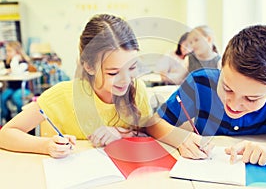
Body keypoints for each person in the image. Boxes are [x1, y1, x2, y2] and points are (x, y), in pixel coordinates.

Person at [0, 14, 152, 158]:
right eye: (113, 73)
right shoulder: (62, 95)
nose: (126, 80)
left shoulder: (137, 89)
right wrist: (46, 145)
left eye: (132, 68)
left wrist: (121, 134)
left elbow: (149, 134)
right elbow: (5, 134)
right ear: (89, 67)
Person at [145, 25, 266, 166]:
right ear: (221, 65)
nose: (233, 104)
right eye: (227, 88)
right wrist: (180, 138)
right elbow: (153, 123)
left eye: (251, 98)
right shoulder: (200, 84)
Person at [1, 41, 33, 122]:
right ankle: (7, 116)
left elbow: (16, 72)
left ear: (17, 51)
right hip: (12, 88)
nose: (7, 53)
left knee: (16, 97)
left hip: (23, 88)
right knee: (3, 97)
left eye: (10, 51)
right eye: (7, 51)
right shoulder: (8, 62)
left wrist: (15, 59)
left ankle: (21, 116)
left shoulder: (23, 62)